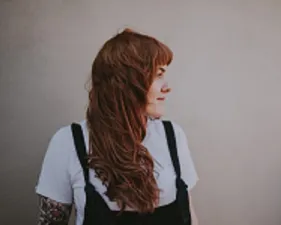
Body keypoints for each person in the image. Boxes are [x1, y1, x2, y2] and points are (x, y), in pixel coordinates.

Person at [35, 28, 199, 225]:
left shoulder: (173, 136)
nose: (167, 87)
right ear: (128, 82)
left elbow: (189, 215)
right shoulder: (69, 142)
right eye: (158, 74)